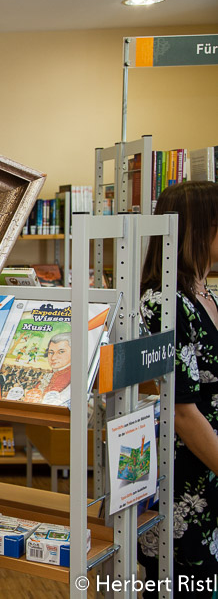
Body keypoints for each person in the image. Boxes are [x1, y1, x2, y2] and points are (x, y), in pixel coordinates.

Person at [137, 181, 218, 598]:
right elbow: (183, 410)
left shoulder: (209, 293)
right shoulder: (164, 303)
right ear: (199, 229)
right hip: (186, 474)